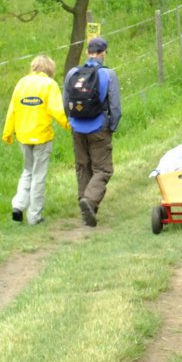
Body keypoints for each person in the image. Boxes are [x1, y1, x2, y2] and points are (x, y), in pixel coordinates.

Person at [2, 55, 70, 226]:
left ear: (33, 67)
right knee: (38, 175)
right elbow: (57, 110)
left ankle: (18, 205)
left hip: (24, 136)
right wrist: (68, 124)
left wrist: (8, 132)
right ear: (50, 69)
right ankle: (34, 216)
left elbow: (12, 110)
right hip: (42, 137)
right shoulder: (49, 85)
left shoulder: (21, 83)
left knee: (27, 171)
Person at [63, 37, 122, 227]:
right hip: (98, 126)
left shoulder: (72, 73)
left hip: (77, 126)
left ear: (87, 52)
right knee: (103, 169)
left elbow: (66, 104)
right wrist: (111, 126)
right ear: (103, 53)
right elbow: (115, 107)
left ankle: (86, 208)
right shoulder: (108, 74)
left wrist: (72, 122)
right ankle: (89, 200)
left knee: (83, 166)